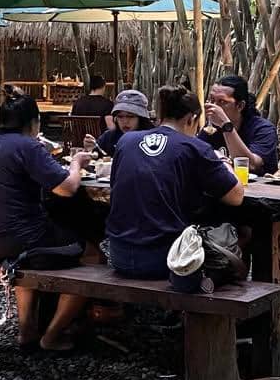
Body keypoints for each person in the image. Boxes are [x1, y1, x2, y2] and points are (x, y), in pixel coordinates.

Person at [0, 92, 94, 352]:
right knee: (92, 256)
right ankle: (54, 335)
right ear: (33, 123)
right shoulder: (27, 145)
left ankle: (27, 331)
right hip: (17, 242)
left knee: (27, 254)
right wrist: (78, 162)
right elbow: (68, 188)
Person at [104, 85, 244, 278]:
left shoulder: (126, 142)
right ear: (191, 119)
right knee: (233, 235)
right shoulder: (196, 147)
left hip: (118, 255)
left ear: (161, 116)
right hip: (171, 258)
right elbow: (236, 197)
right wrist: (224, 163)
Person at [202, 74, 280, 174]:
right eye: (212, 100)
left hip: (258, 188)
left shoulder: (263, 129)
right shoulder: (212, 128)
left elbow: (252, 165)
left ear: (240, 106)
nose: (214, 107)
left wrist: (226, 125)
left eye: (222, 101)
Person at [85, 89, 152, 156]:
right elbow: (97, 155)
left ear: (141, 118)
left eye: (130, 116)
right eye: (120, 116)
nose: (125, 121)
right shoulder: (109, 137)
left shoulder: (152, 139)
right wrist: (91, 150)